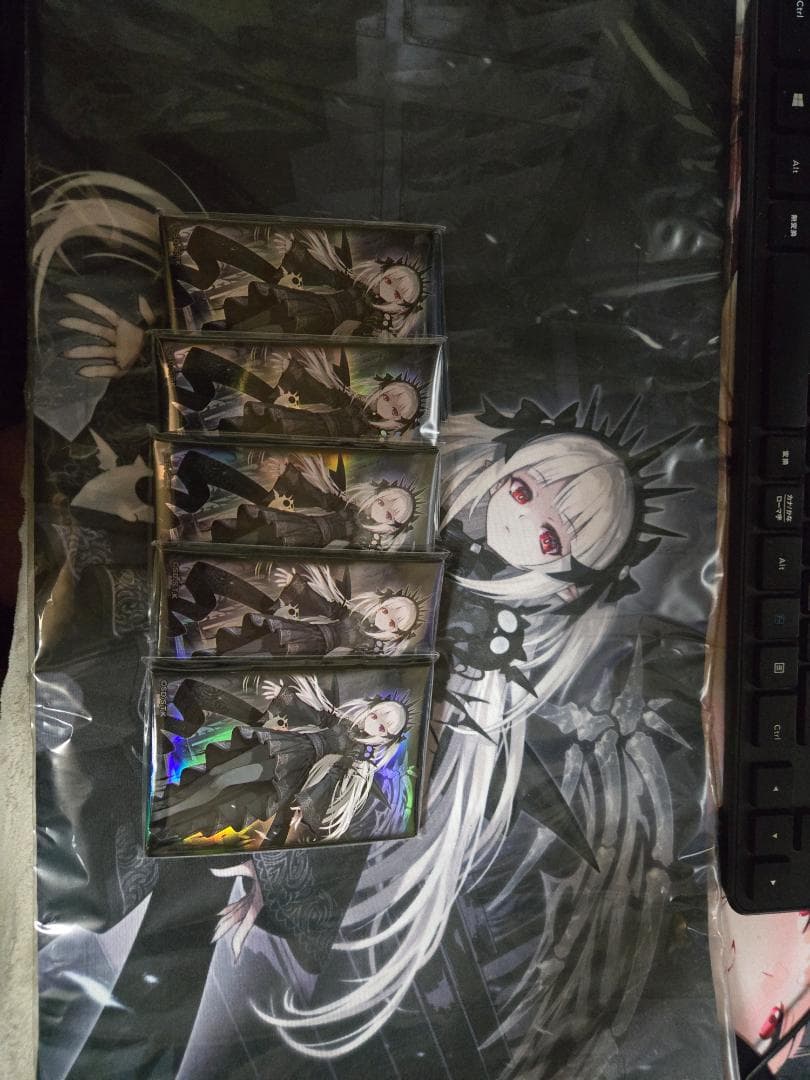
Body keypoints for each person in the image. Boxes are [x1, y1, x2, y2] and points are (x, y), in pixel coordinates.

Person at [151, 674, 411, 848]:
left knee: (224, 785)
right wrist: (285, 696)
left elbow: (329, 781)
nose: (375, 723)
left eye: (382, 728)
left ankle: (165, 819)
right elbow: (316, 715)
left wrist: (306, 801)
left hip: (291, 773)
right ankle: (163, 811)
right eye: (377, 715)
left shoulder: (356, 759)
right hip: (282, 747)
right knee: (217, 776)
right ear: (372, 708)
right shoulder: (341, 721)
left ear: (386, 738)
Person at [173, 223, 429, 336]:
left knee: (263, 330)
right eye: (391, 280)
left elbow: (355, 336)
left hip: (314, 326)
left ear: (401, 307)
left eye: (398, 294)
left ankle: (218, 333)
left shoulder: (373, 319)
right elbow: (325, 274)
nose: (389, 289)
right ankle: (218, 330)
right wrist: (294, 250)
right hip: (303, 304)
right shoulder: (356, 286)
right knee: (252, 322)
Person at [172, 343, 427, 439]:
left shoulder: (368, 433)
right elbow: (328, 394)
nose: (387, 403)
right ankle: (194, 372)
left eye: (395, 410)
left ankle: (191, 400)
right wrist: (294, 373)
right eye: (389, 395)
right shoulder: (356, 404)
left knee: (239, 423)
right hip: (291, 421)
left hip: (290, 430)